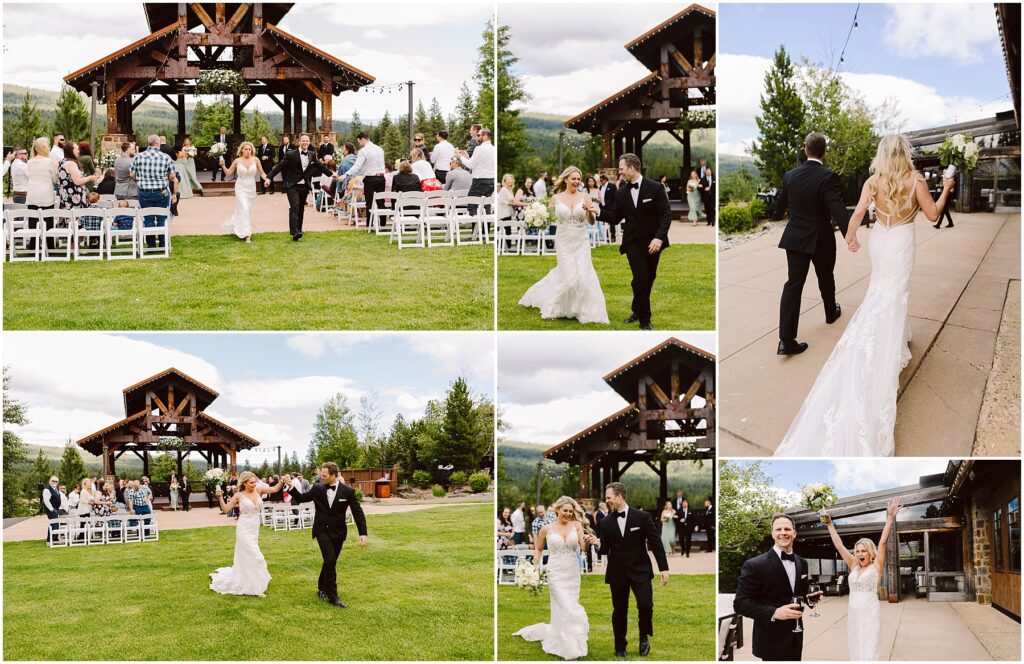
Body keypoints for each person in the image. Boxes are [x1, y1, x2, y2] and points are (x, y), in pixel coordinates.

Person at [774, 134, 955, 456]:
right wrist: (946, 190)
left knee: (880, 290)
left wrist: (851, 237)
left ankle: (893, 334)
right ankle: (885, 344)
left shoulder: (873, 181)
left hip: (880, 241)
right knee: (895, 293)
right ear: (904, 153)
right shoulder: (916, 180)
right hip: (901, 242)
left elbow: (857, 213)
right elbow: (933, 215)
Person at [586, 482, 669, 658]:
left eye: (609, 497)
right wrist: (596, 543)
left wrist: (664, 568)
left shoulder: (642, 517)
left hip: (640, 570)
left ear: (619, 496)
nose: (607, 501)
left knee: (645, 605)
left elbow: (655, 543)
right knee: (619, 610)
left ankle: (644, 636)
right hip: (618, 572)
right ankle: (620, 645)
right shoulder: (606, 522)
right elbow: (604, 549)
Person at [519, 166, 609, 324]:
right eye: (573, 178)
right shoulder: (556, 198)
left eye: (578, 179)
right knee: (568, 276)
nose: (576, 181)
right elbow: (549, 219)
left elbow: (591, 221)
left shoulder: (585, 196)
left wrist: (589, 210)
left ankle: (582, 309)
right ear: (566, 179)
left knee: (583, 274)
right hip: (563, 239)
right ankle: (555, 307)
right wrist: (537, 217)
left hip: (581, 240)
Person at [821, 497, 900, 660]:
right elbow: (839, 546)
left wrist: (890, 518)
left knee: (869, 647)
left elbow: (883, 542)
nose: (859, 554)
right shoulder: (853, 565)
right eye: (857, 551)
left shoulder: (876, 565)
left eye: (863, 551)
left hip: (870, 612)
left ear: (870, 552)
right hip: (854, 612)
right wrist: (829, 525)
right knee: (856, 645)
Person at [514, 496, 592, 660]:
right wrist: (535, 567)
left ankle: (567, 638)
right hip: (555, 572)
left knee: (569, 604)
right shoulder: (546, 529)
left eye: (570, 511)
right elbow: (538, 548)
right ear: (557, 510)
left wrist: (587, 541)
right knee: (565, 605)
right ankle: (570, 648)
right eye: (565, 510)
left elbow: (583, 548)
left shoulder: (577, 525)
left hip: (572, 572)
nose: (568, 514)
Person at [288, 462, 368, 608]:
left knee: (330, 561)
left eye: (324, 475)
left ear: (334, 475)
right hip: (321, 530)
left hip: (338, 532)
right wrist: (291, 487)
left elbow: (358, 512)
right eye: (321, 475)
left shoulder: (348, 492)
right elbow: (301, 498)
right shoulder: (317, 488)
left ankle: (321, 587)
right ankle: (333, 596)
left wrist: (362, 533)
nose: (321, 477)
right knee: (330, 559)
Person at [734, 514, 809, 661]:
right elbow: (741, 603)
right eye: (778, 529)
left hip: (796, 636)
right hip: (770, 640)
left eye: (787, 529)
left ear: (794, 533)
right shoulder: (755, 565)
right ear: (772, 533)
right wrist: (774, 612)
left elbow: (799, 593)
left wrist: (809, 598)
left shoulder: (802, 563)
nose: (783, 532)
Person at [610, 153, 672, 331]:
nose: (620, 172)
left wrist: (658, 238)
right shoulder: (621, 192)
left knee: (648, 278)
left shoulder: (656, 188)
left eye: (621, 169)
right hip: (632, 242)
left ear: (631, 167)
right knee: (641, 278)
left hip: (653, 242)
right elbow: (615, 217)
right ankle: (645, 320)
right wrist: (596, 211)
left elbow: (666, 215)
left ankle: (637, 309)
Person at [210, 471, 287, 597]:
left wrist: (282, 481)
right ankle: (257, 588)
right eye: (251, 483)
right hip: (244, 529)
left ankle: (250, 580)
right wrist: (220, 497)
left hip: (254, 528)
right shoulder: (238, 495)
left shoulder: (259, 490)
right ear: (244, 483)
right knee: (257, 556)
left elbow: (275, 489)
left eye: (255, 482)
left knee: (248, 555)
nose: (254, 484)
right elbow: (226, 509)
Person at [265, 132, 332, 241]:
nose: (305, 142)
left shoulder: (312, 154)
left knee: (301, 208)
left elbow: (319, 166)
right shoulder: (291, 154)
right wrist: (269, 177)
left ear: (309, 142)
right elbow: (280, 166)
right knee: (295, 207)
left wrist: (332, 174)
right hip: (292, 185)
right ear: (299, 142)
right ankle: (294, 232)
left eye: (307, 141)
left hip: (304, 185)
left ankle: (299, 229)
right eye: (303, 140)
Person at [130, 134, 178, 248]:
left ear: (148, 143)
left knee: (148, 218)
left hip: (144, 192)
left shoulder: (138, 157)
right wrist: (163, 177)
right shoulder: (166, 157)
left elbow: (131, 174)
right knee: (162, 217)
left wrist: (139, 179)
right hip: (161, 192)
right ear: (157, 144)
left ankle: (151, 245)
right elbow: (172, 176)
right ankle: (162, 245)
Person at [219, 141, 268, 243]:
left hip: (251, 188)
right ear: (242, 150)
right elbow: (228, 173)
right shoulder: (237, 161)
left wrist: (267, 179)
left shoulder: (256, 160)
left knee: (246, 210)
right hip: (240, 187)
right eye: (246, 149)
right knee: (244, 208)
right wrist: (223, 166)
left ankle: (237, 225)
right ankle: (247, 235)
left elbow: (262, 173)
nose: (248, 151)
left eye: (249, 149)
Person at [343, 132, 387, 212]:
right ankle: (382, 220)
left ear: (362, 139)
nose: (359, 144)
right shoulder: (380, 149)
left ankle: (369, 220)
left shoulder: (363, 151)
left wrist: (346, 174)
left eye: (359, 141)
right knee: (381, 202)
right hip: (381, 178)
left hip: (370, 179)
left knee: (369, 203)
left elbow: (357, 166)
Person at [458, 128, 496, 213]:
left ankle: (474, 221)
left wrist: (460, 157)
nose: (477, 137)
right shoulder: (494, 149)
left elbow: (470, 165)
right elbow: (478, 163)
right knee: (486, 206)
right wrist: (467, 157)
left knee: (472, 205)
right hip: (492, 181)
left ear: (485, 136)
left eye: (478, 135)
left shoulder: (479, 149)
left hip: (480, 181)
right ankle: (486, 221)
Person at [57, 143, 103, 209]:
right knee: (75, 215)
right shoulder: (71, 163)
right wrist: (90, 178)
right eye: (76, 149)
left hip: (66, 196)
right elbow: (78, 181)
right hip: (73, 198)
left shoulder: (62, 161)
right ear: (71, 150)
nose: (78, 151)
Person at [597, 174, 618, 242]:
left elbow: (616, 197)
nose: (600, 181)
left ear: (605, 180)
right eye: (600, 180)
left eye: (601, 180)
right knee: (604, 223)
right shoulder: (600, 187)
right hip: (602, 207)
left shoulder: (611, 186)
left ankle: (613, 237)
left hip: (610, 207)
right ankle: (606, 236)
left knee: (611, 222)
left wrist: (614, 206)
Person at [41, 476, 61, 543]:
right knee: (53, 523)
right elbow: (46, 501)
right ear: (50, 481)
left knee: (55, 523)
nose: (54, 482)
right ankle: (51, 539)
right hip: (51, 509)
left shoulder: (55, 489)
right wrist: (52, 509)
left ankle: (54, 538)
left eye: (56, 481)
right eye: (53, 481)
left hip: (56, 509)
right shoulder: (47, 490)